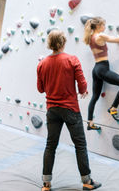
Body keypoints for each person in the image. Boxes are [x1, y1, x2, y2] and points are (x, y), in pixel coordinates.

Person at [37, 30, 101, 191]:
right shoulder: (72, 60)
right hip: (70, 108)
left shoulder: (42, 64)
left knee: (50, 145)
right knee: (80, 145)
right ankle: (87, 181)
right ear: (63, 42)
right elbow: (83, 85)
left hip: (52, 109)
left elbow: (40, 89)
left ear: (49, 44)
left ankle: (46, 184)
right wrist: (83, 91)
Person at [83, 17, 119, 130]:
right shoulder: (100, 36)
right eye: (103, 25)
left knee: (95, 97)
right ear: (98, 26)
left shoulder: (90, 38)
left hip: (96, 69)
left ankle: (90, 123)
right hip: (103, 68)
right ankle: (113, 108)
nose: (104, 27)